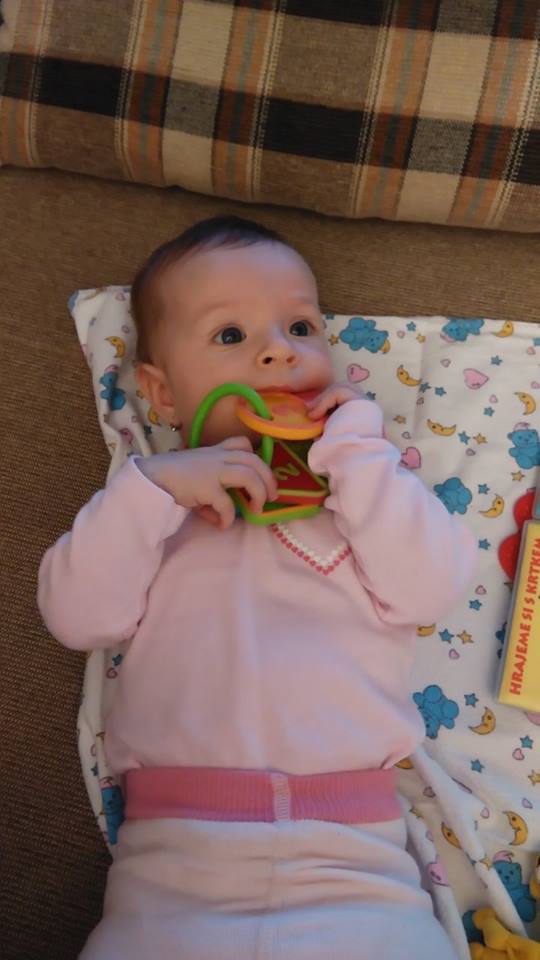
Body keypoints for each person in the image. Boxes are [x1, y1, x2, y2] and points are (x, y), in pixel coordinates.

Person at [38, 215, 478, 959]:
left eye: (301, 326)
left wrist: (361, 456)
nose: (280, 350)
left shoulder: (362, 504)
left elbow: (433, 587)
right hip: (172, 878)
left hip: (359, 869)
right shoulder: (151, 513)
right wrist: (151, 490)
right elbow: (76, 616)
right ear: (162, 394)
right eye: (231, 335)